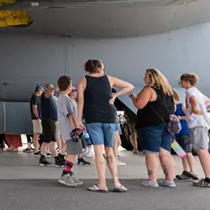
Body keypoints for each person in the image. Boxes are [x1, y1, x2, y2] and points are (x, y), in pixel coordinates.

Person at [77, 59, 133, 193]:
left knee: (98, 151)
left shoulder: (83, 80)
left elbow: (80, 101)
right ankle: (117, 182)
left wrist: (79, 120)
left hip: (93, 117)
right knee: (110, 150)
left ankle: (102, 184)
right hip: (110, 117)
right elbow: (129, 86)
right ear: (100, 67)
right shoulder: (109, 79)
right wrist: (115, 95)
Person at [129, 68, 176, 188]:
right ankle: (170, 180)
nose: (144, 78)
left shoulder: (149, 89)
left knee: (151, 152)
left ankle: (152, 180)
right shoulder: (168, 91)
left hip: (150, 125)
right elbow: (174, 108)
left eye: (146, 76)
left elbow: (139, 105)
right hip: (167, 125)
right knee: (165, 152)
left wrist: (132, 96)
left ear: (152, 77)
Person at [180, 73, 210, 188]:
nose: (181, 83)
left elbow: (193, 100)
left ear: (187, 82)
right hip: (201, 123)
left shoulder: (189, 91)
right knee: (203, 150)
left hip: (197, 124)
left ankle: (209, 179)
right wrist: (195, 109)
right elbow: (208, 100)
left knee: (201, 150)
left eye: (182, 81)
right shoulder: (196, 90)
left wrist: (194, 110)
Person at [57, 76, 84, 187]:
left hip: (68, 129)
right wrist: (76, 129)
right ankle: (65, 174)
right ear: (68, 87)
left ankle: (70, 173)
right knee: (72, 153)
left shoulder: (64, 98)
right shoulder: (65, 99)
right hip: (70, 130)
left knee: (73, 151)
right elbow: (70, 115)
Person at [173, 91, 199, 182]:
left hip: (185, 132)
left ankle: (192, 171)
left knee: (187, 151)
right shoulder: (170, 109)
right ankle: (185, 171)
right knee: (181, 154)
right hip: (175, 134)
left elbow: (189, 117)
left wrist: (179, 117)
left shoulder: (181, 106)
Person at [39, 83, 63, 167]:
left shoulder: (52, 98)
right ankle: (57, 159)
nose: (52, 90)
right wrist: (55, 88)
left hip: (51, 121)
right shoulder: (44, 96)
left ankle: (42, 158)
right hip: (48, 121)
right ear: (46, 89)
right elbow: (48, 92)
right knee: (52, 141)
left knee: (46, 141)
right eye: (50, 88)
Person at [30, 86, 44, 155]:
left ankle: (36, 149)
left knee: (36, 134)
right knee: (37, 133)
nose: (42, 92)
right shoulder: (35, 97)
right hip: (36, 118)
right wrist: (37, 117)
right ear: (39, 91)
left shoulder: (35, 97)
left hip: (36, 118)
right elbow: (34, 108)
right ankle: (36, 150)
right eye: (41, 91)